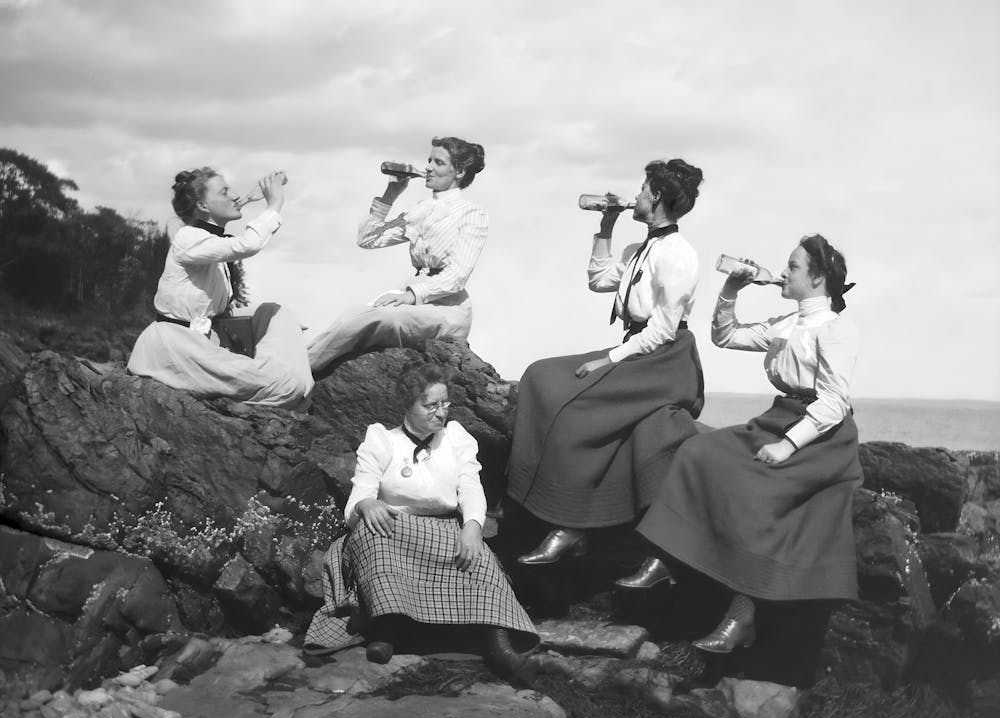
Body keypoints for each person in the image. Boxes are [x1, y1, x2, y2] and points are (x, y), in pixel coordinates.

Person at [624, 235, 861, 653]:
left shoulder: (837, 329)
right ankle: (668, 557)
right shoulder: (786, 323)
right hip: (778, 418)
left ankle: (742, 613)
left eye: (793, 267)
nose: (783, 272)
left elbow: (835, 402)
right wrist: (733, 288)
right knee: (698, 451)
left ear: (819, 278)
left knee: (758, 489)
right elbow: (725, 336)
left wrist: (788, 445)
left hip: (820, 435)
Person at [507, 159, 706, 565]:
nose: (636, 195)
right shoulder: (641, 248)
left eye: (643, 189)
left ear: (657, 198)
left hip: (665, 360)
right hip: (638, 349)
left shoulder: (679, 255)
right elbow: (598, 280)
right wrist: (607, 226)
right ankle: (526, 502)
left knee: (580, 406)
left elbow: (665, 329)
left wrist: (607, 361)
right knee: (539, 375)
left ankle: (571, 524)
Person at [304, 363, 538, 679]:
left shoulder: (455, 437)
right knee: (374, 534)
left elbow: (470, 486)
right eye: (430, 405)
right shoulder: (382, 440)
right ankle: (387, 630)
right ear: (407, 405)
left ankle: (501, 647)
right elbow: (357, 499)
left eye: (445, 404)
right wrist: (367, 503)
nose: (441, 413)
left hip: (444, 529)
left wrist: (472, 527)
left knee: (482, 562)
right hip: (396, 529)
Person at [127, 168, 313, 409]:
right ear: (203, 205)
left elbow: (224, 236)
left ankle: (285, 370)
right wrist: (274, 202)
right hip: (176, 347)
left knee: (274, 312)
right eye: (225, 191)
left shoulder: (208, 239)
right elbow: (248, 244)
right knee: (288, 386)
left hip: (207, 338)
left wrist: (247, 198)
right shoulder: (187, 239)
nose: (234, 195)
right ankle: (289, 377)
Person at [307, 137, 488, 374]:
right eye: (429, 160)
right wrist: (390, 193)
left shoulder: (472, 214)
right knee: (355, 314)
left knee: (376, 318)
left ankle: (298, 372)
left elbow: (458, 275)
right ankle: (299, 367)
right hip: (413, 295)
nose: (429, 167)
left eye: (439, 162)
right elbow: (367, 239)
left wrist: (412, 296)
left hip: (447, 309)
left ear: (460, 171)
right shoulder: (421, 210)